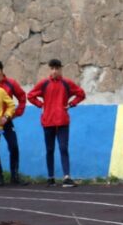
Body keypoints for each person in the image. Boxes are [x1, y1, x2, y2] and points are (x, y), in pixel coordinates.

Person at [27, 58, 86, 188]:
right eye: (52, 69)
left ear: (61, 69)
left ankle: (66, 177)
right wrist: (41, 104)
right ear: (50, 70)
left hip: (63, 121)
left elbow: (81, 94)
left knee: (63, 148)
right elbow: (30, 95)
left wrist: (71, 104)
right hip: (48, 121)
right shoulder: (44, 83)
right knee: (50, 150)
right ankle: (51, 177)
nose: (54, 71)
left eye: (57, 69)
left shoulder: (67, 83)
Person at [0, 59, 29, 185]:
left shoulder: (11, 83)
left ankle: (14, 177)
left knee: (14, 147)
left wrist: (16, 113)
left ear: (0, 70)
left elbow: (22, 97)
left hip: (6, 121)